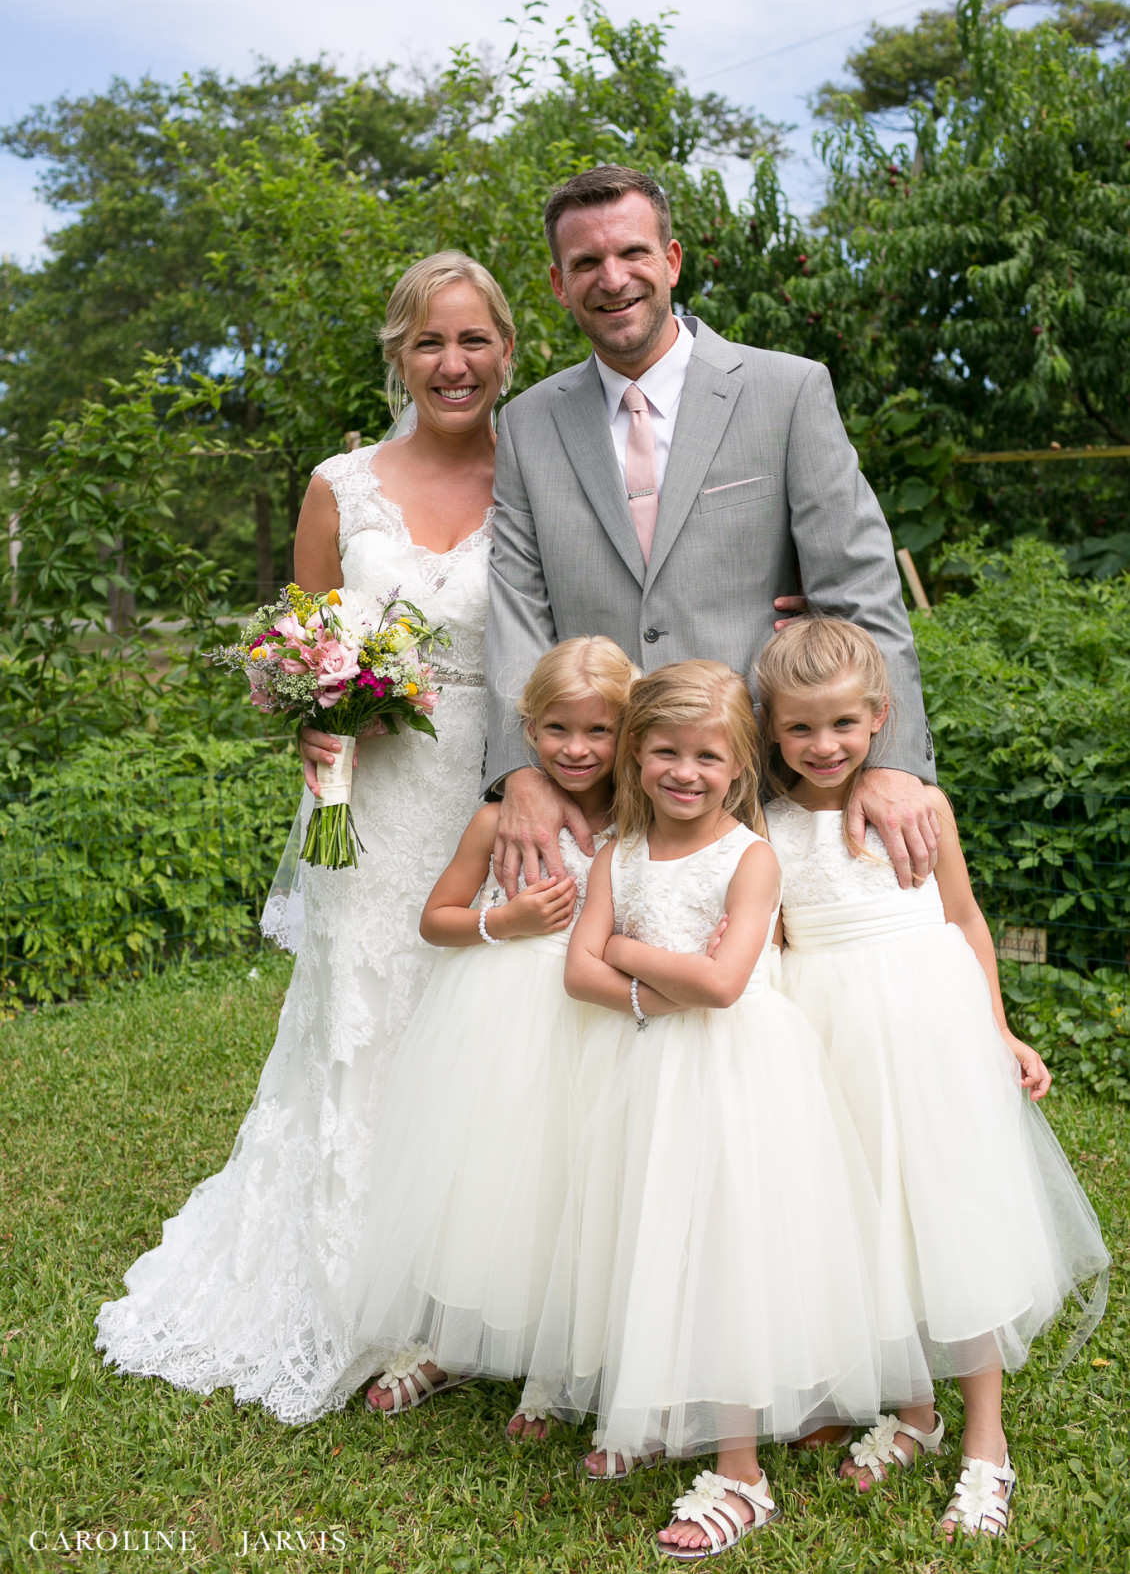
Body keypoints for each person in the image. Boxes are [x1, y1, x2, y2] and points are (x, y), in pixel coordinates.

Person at [96, 252, 512, 1424]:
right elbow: (303, 642)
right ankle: (356, 1281)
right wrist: (315, 713)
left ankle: (477, 1282)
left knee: (481, 1017)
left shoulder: (541, 473)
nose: (452, 363)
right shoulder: (339, 486)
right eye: (428, 341)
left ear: (506, 350)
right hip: (369, 800)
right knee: (364, 1013)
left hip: (495, 785)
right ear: (396, 356)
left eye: (473, 339)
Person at [486, 164, 941, 904]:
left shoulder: (788, 391)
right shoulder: (527, 422)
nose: (612, 278)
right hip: (596, 799)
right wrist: (521, 771)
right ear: (559, 284)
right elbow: (517, 612)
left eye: (633, 252)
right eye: (586, 262)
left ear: (671, 260)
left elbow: (860, 588)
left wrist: (892, 762)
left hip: (772, 785)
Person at [524, 661, 886, 1561]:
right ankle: (657, 1408)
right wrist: (655, 984)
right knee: (649, 1231)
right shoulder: (618, 854)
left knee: (727, 1249)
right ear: (636, 755)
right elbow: (576, 972)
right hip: (643, 1066)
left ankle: (741, 1472)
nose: (685, 772)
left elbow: (722, 985)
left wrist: (625, 948)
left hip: (735, 1075)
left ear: (739, 765)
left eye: (708, 756)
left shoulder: (749, 857)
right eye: (665, 752)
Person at [757, 616, 1110, 1540]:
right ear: (771, 729)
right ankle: (915, 1407)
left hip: (929, 1029)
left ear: (880, 715)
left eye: (844, 723)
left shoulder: (922, 807)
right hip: (825, 1030)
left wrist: (998, 1028)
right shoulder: (766, 825)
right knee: (864, 1213)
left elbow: (964, 918)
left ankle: (986, 1440)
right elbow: (776, 941)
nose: (824, 744)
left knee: (951, 1216)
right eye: (799, 727)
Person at [326, 637, 637, 1428]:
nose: (576, 748)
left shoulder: (642, 826)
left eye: (599, 731)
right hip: (498, 1018)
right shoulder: (498, 818)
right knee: (490, 1175)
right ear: (527, 728)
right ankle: (456, 1340)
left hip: (595, 1022)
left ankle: (555, 1365)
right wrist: (508, 920)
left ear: (629, 731)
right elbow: (436, 918)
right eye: (557, 728)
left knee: (574, 1182)